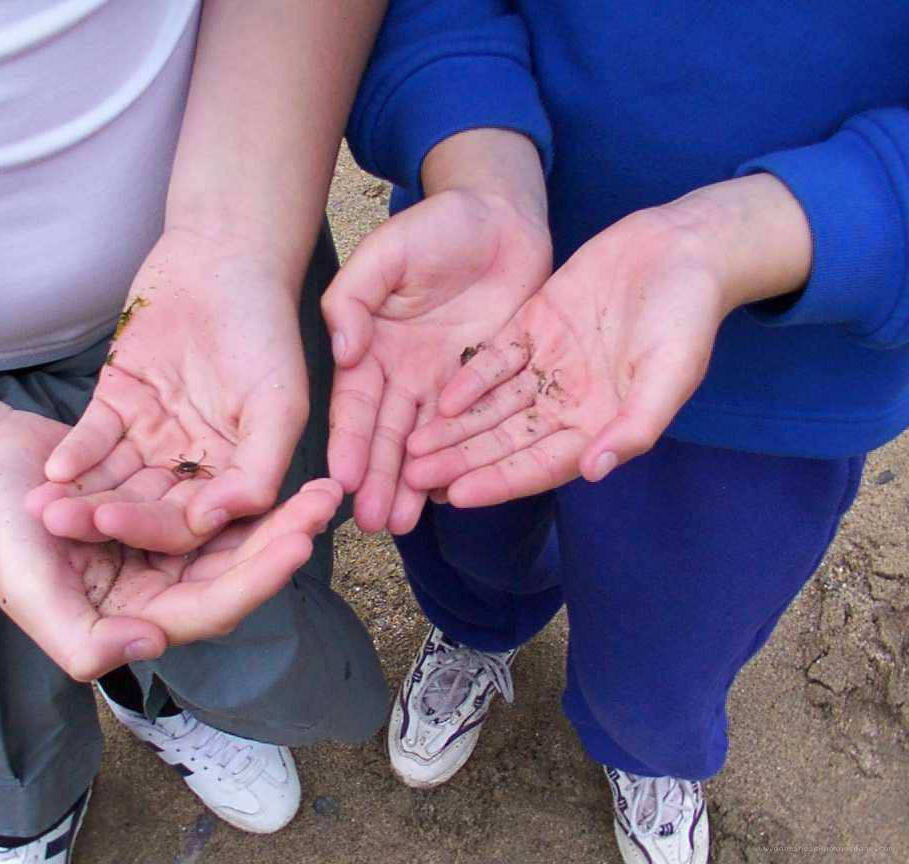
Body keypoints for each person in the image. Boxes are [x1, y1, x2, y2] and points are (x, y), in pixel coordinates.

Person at [0, 2, 388, 861]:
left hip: (200, 305)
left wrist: (234, 239)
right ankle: (24, 801)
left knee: (212, 569)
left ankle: (162, 695)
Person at [326, 2, 909, 863]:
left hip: (787, 387)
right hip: (482, 297)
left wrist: (749, 237)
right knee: (466, 537)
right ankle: (477, 630)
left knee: (679, 632)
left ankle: (646, 750)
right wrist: (476, 156)